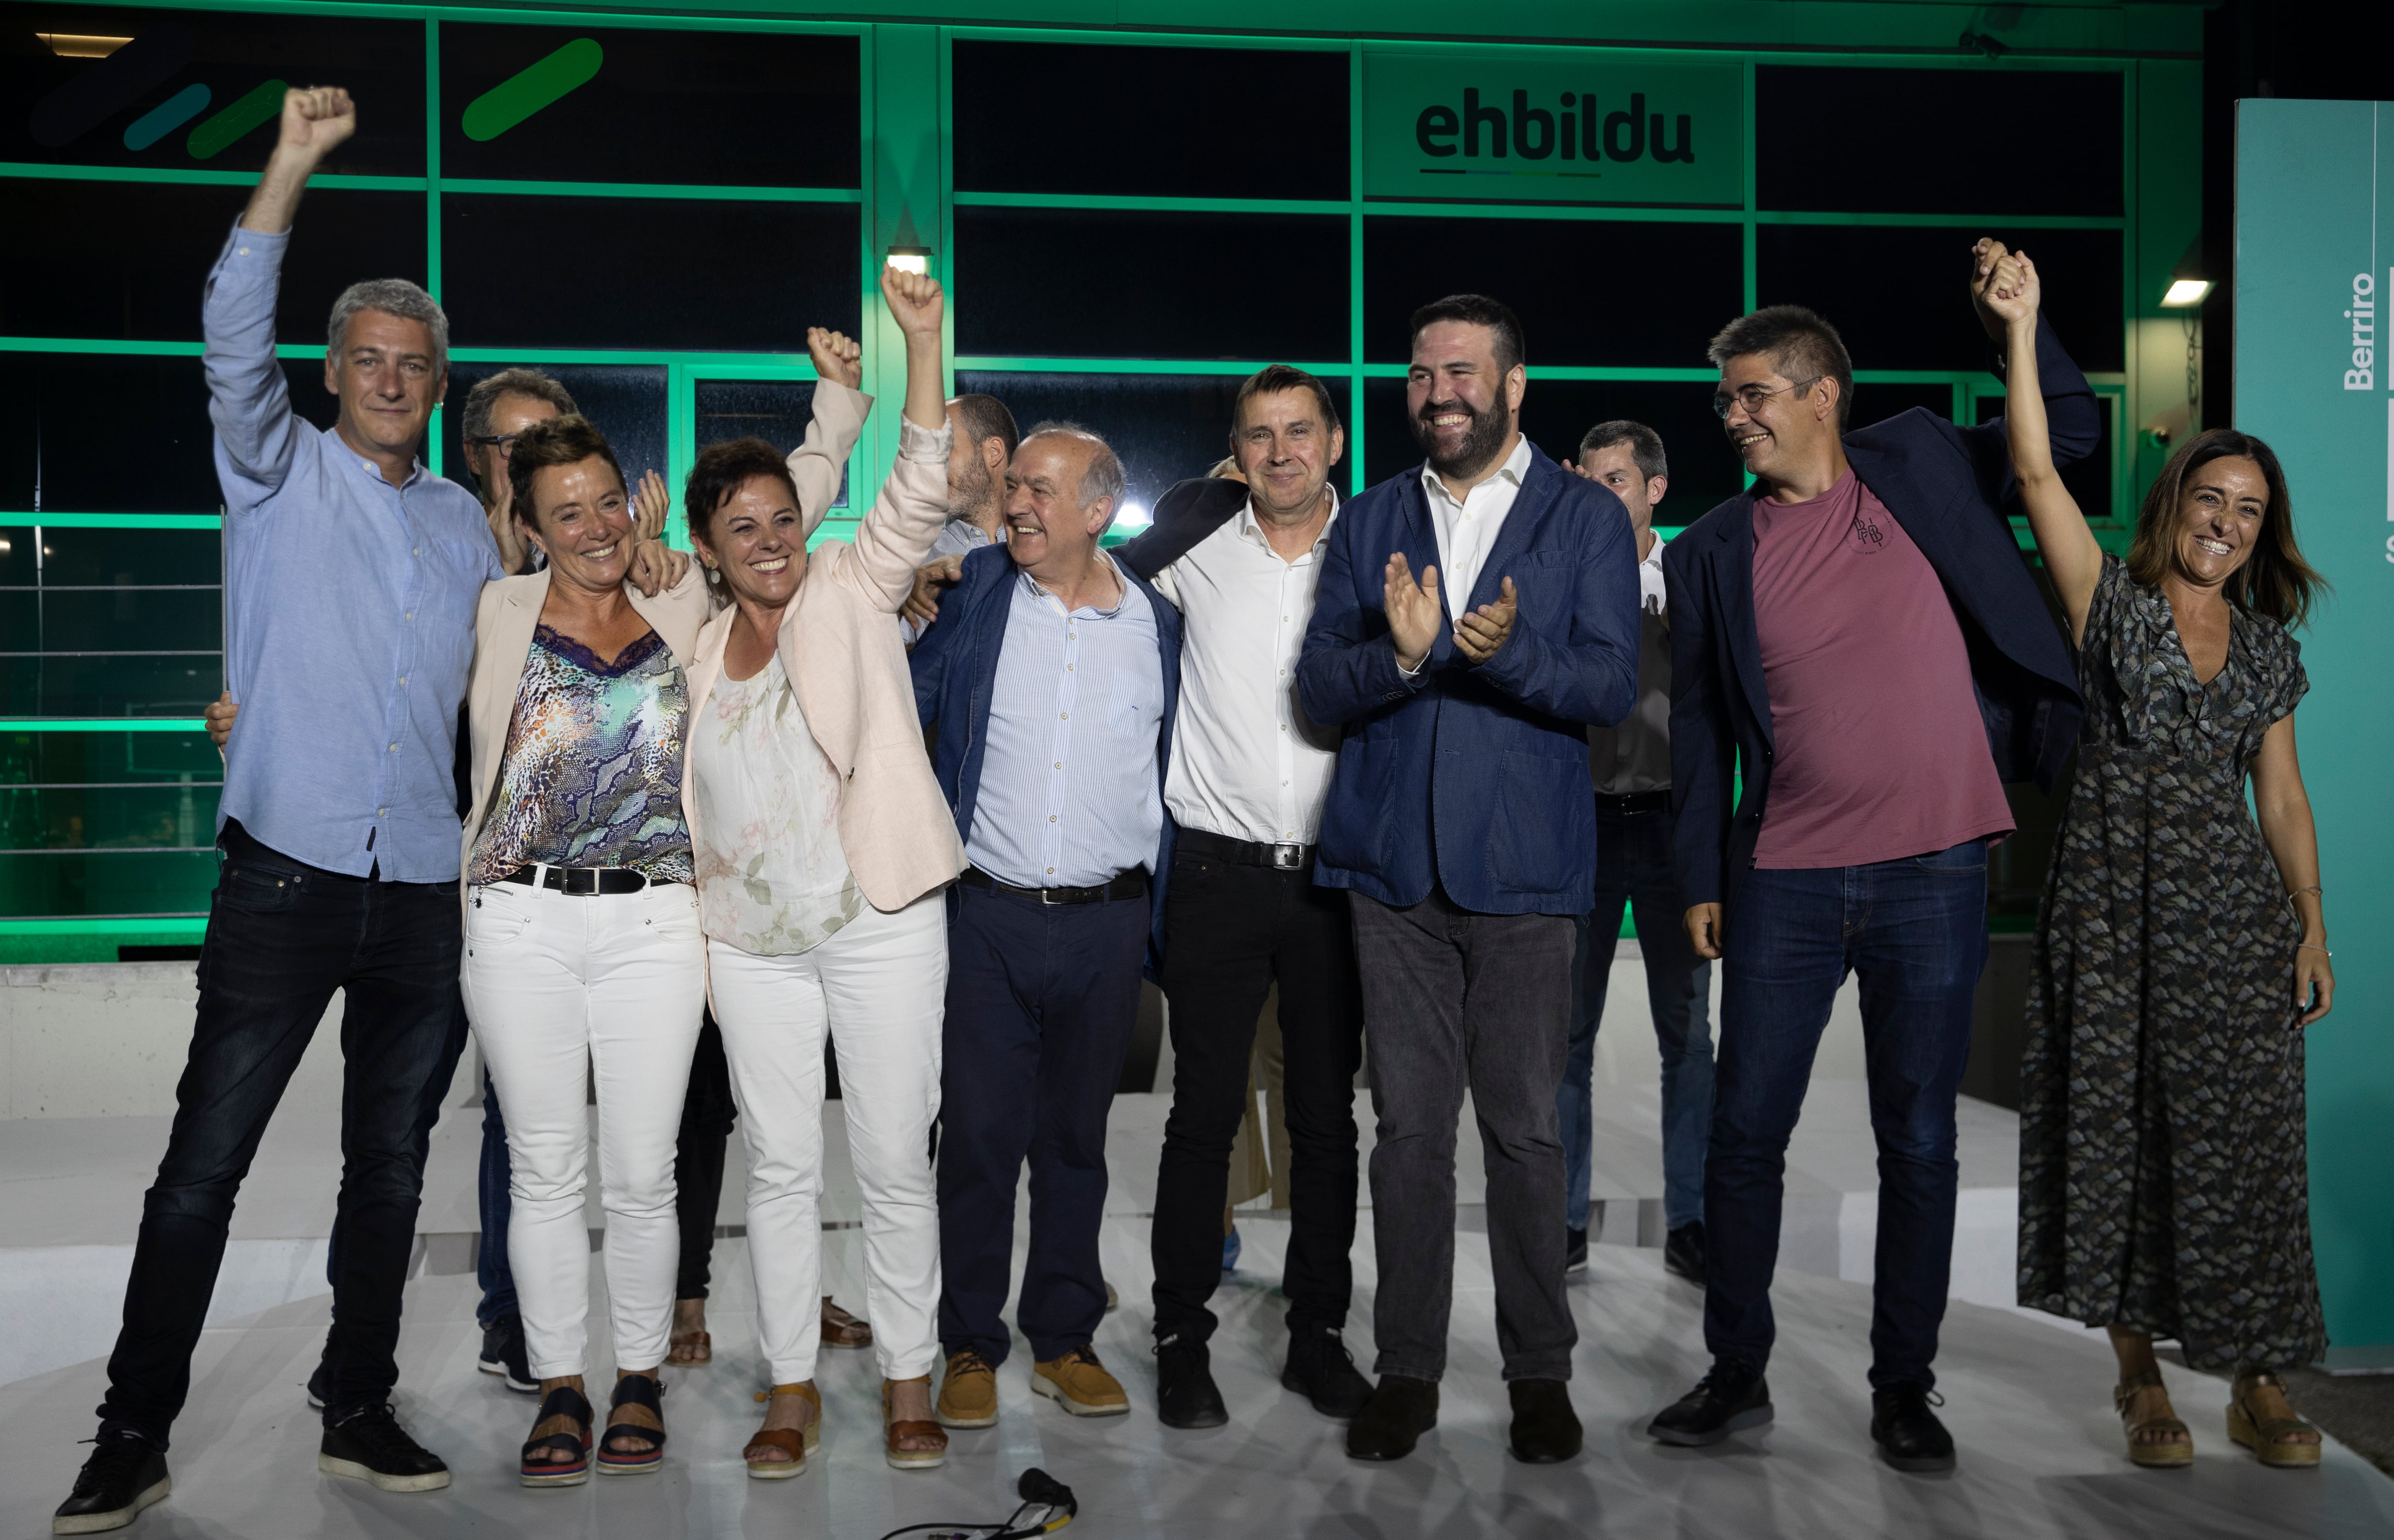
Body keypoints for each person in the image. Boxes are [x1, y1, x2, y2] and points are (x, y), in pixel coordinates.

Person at [55, 85, 490, 1534]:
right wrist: (291, 161)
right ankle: (132, 1427)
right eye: (364, 357)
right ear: (330, 369)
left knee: (389, 1171)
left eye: (411, 363)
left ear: (438, 382)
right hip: (286, 879)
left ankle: (353, 1399)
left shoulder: (460, 524)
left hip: (422, 886)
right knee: (203, 1171)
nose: (387, 378)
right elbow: (227, 331)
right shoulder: (273, 469)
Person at [1647, 247, 2092, 1474]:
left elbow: (2081, 438)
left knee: (1920, 1141)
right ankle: (1735, 1367)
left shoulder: (1921, 461)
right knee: (1744, 1134)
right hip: (1782, 873)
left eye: (1752, 395)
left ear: (1820, 392)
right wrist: (1698, 879)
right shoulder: (1709, 549)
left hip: (1934, 868)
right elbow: (1694, 730)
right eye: (1726, 399)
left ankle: (1904, 1385)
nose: (1732, 418)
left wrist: (2023, 326)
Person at [1985, 244, 2334, 1470]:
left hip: (2232, 919)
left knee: (2246, 1146)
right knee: (2121, 1131)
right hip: (2113, 911)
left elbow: (2280, 795)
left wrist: (2309, 918)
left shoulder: (2268, 648)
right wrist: (2023, 328)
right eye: (2210, 503)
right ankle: (2138, 1376)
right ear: (2174, 501)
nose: (2226, 528)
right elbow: (2031, 467)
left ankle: (2257, 1378)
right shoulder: (2112, 609)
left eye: (2247, 513)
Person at [1297, 294, 1640, 1466]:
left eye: (1460, 371)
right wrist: (1397, 653)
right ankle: (1407, 1370)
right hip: (1390, 874)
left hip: (1530, 876)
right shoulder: (1374, 517)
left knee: (1526, 1136)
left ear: (1514, 383)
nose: (1437, 391)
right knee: (1406, 1134)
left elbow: (1606, 687)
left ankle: (1539, 1374)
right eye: (1418, 373)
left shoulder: (1583, 518)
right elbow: (1317, 688)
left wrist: (1512, 653)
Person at [678, 264, 962, 1476]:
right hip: (750, 940)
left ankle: (908, 1377)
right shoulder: (692, 644)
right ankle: (789, 1383)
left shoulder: (852, 583)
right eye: (742, 528)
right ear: (709, 548)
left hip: (879, 914)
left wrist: (920, 339)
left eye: (782, 518)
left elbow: (922, 475)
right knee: (782, 1167)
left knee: (895, 1155)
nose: (770, 540)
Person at [458, 409, 719, 1486]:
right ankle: (561, 1379)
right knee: (543, 1170)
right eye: (567, 512)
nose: (597, 526)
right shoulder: (498, 606)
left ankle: (641, 1376)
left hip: (657, 915)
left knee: (645, 1175)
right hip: (519, 915)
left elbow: (777, 538)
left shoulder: (680, 594)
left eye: (608, 500)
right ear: (530, 523)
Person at [1113, 365, 1371, 1429]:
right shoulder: (1194, 550)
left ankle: (1317, 1336)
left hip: (1333, 883)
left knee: (1324, 1122)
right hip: (1217, 874)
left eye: (1298, 431)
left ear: (1336, 441)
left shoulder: (1377, 546)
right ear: (1234, 453)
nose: (1279, 452)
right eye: (1258, 436)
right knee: (1201, 1118)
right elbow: (1089, 576)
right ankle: (1182, 1337)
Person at [911, 422, 1181, 1428]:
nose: (1013, 501)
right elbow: (905, 704)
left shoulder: (1156, 625)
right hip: (986, 915)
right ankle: (970, 1344)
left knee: (1076, 1140)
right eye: (1012, 485)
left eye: (1035, 489)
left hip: (1109, 925)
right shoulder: (972, 592)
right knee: (978, 1138)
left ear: (1097, 510)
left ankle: (1063, 1337)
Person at [1559, 421, 1714, 1282]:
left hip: (1671, 829)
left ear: (1655, 488)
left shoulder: (1693, 578)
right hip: (1580, 825)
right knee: (1565, 1037)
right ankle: (1562, 1222)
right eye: (1586, 477)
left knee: (1689, 1037)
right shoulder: (1561, 580)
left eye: (1612, 479)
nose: (1595, 492)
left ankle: (1691, 1220)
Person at [897, 393, 1018, 646]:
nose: (930, 469)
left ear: (993, 452)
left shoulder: (1043, 553)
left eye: (943, 451)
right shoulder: (907, 561)